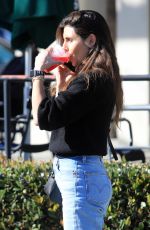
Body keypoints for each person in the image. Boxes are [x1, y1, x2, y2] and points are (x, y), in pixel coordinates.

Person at [31, 10, 123, 230]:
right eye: (63, 41)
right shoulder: (91, 79)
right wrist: (62, 84)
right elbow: (56, 117)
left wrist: (37, 72)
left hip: (80, 176)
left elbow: (42, 117)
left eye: (69, 40)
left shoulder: (91, 81)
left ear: (91, 40)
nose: (64, 47)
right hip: (80, 175)